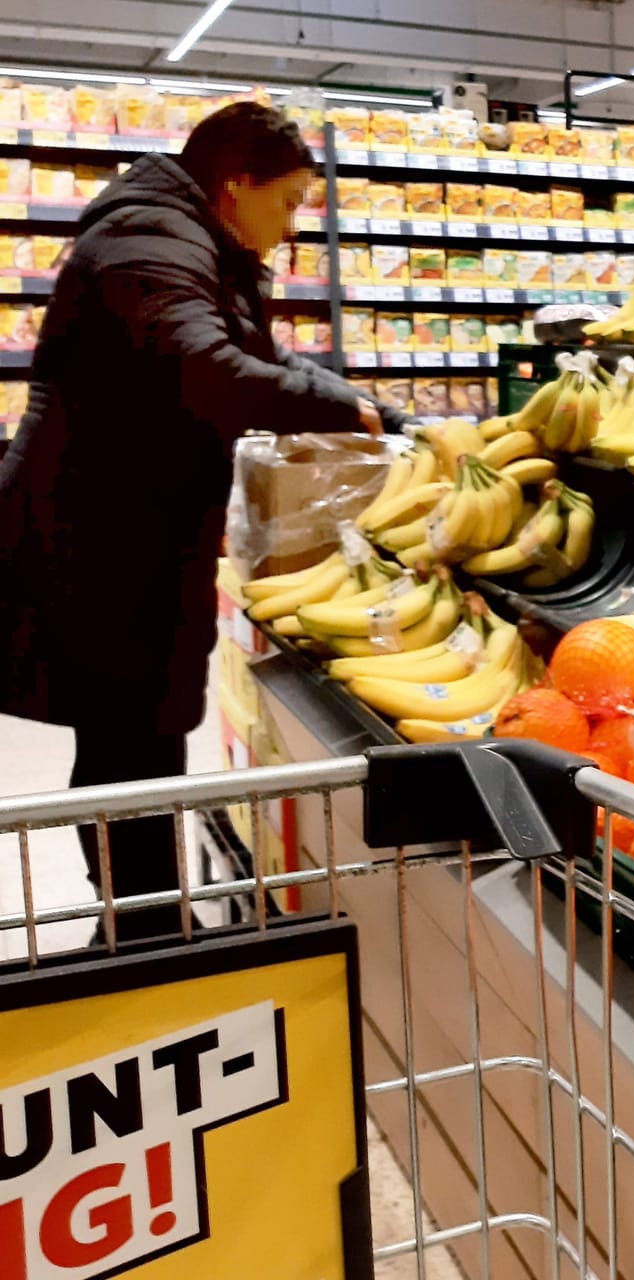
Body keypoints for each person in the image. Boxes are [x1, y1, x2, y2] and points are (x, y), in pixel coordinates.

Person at [0, 101, 402, 942]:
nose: (293, 227)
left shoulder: (185, 235)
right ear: (235, 186)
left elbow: (253, 353)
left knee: (138, 741)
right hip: (93, 545)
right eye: (288, 203)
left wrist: (359, 403)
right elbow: (208, 369)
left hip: (124, 533)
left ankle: (147, 917)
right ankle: (145, 931)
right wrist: (339, 406)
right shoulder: (147, 241)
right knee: (128, 744)